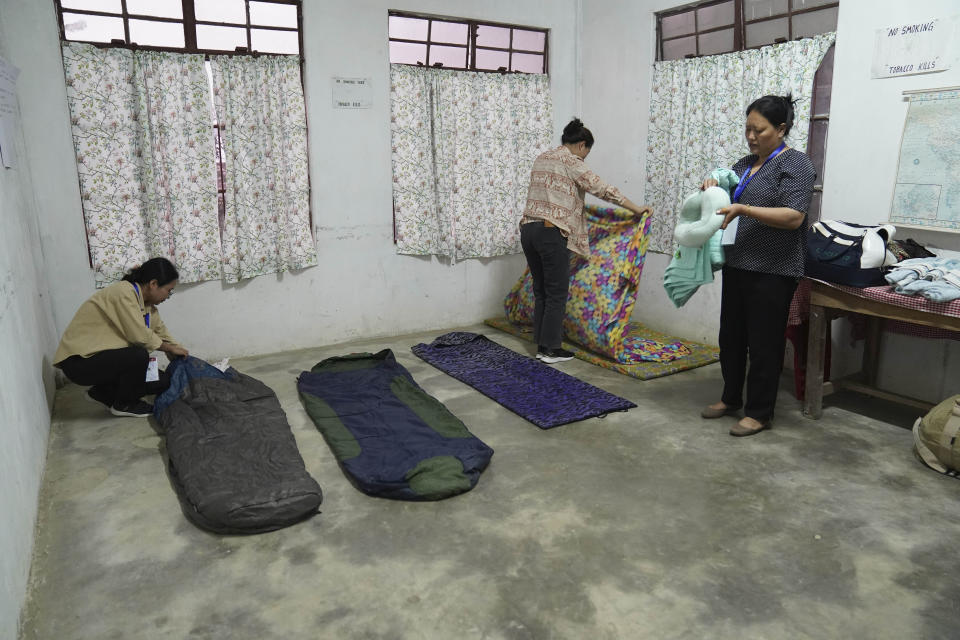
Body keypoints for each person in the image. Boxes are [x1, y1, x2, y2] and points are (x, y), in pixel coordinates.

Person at [699, 94, 816, 436]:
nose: (751, 137)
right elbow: (724, 195)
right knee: (731, 337)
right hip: (738, 262)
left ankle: (760, 412)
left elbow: (793, 217)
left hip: (773, 269)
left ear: (781, 129)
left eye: (759, 130)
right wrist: (710, 187)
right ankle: (730, 397)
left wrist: (745, 210)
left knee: (764, 343)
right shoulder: (741, 165)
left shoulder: (795, 164)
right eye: (747, 129)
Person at [519, 118, 652, 363]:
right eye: (586, 154)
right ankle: (550, 349)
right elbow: (602, 188)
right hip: (550, 232)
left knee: (541, 291)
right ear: (581, 145)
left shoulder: (542, 158)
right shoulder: (571, 161)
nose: (584, 159)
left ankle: (541, 345)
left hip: (528, 230)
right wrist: (636, 209)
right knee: (557, 292)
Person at [54, 257, 189, 418]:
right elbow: (138, 335)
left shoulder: (149, 308)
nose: (168, 296)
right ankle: (125, 404)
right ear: (153, 284)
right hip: (79, 362)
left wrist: (178, 350)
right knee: (138, 355)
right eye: (168, 290)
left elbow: (161, 332)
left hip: (102, 359)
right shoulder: (124, 293)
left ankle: (101, 393)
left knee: (163, 381)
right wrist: (167, 348)